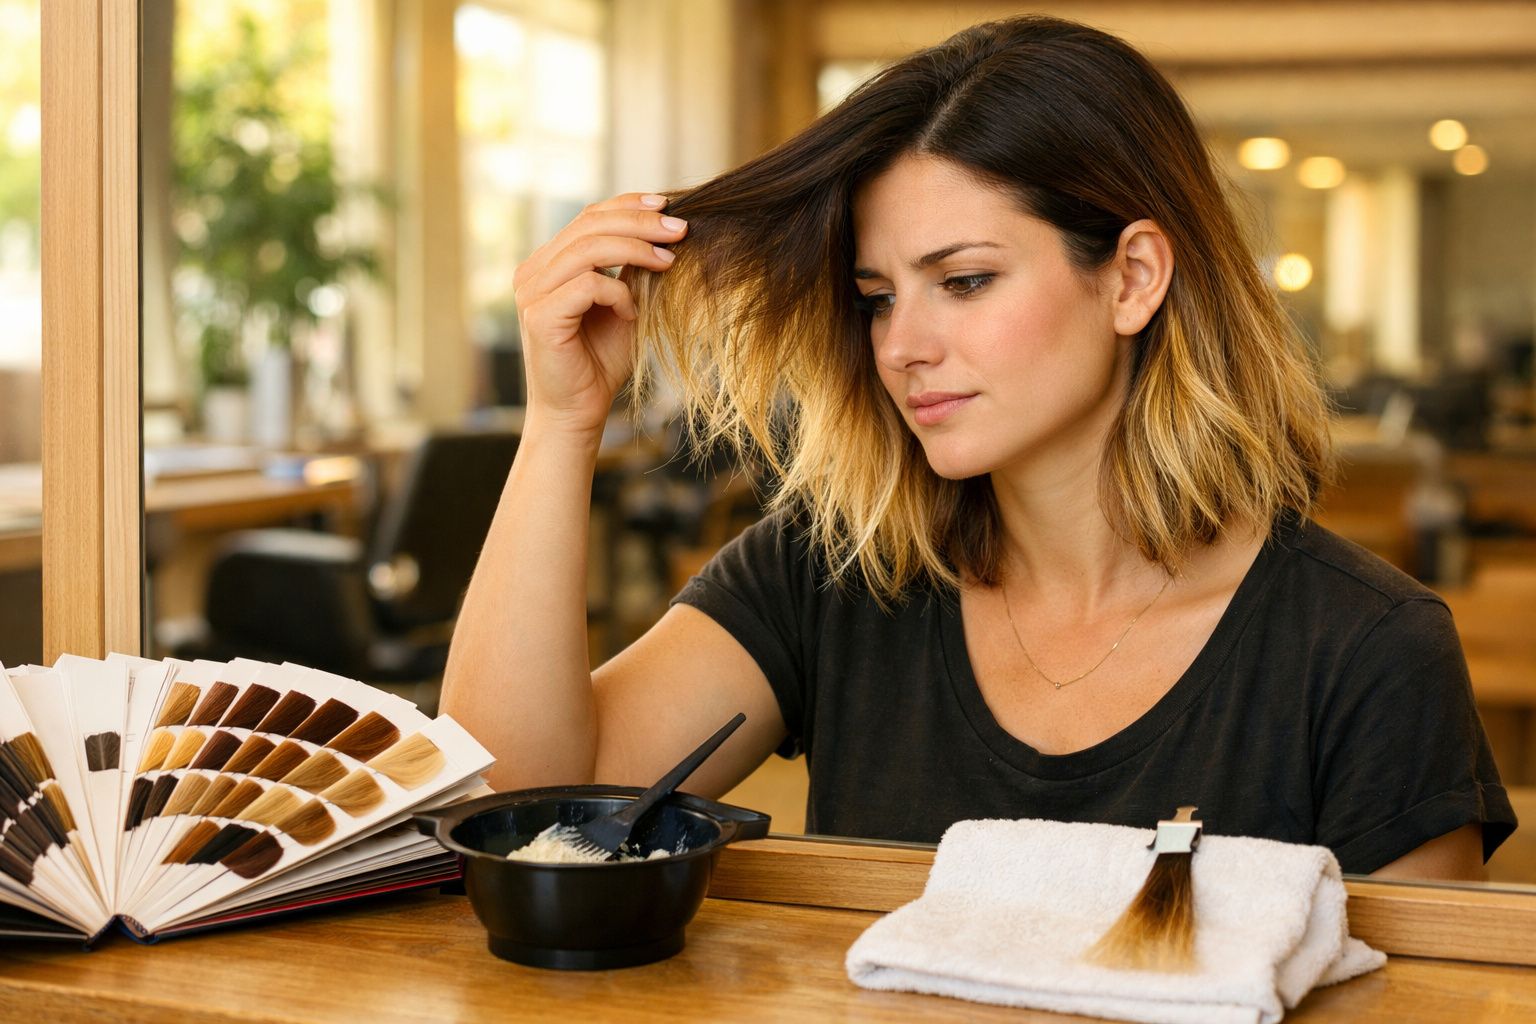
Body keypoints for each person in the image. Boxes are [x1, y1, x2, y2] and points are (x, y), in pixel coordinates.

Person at [441, 15, 1515, 880]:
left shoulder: (1367, 650)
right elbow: (514, 812)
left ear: (1133, 276)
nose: (903, 346)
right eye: (875, 298)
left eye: (963, 281)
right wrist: (562, 421)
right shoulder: (837, 573)